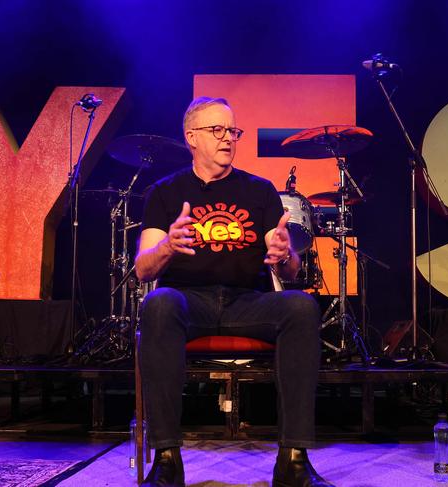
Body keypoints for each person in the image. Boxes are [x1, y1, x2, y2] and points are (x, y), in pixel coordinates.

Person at [135, 97, 334, 487]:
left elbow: (289, 267)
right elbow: (143, 269)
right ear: (192, 137)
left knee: (300, 306)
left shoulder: (258, 190)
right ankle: (166, 461)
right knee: (158, 302)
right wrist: (167, 247)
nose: (228, 138)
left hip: (248, 302)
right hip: (188, 301)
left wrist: (284, 254)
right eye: (217, 130)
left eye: (233, 131)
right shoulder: (164, 193)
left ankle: (293, 460)